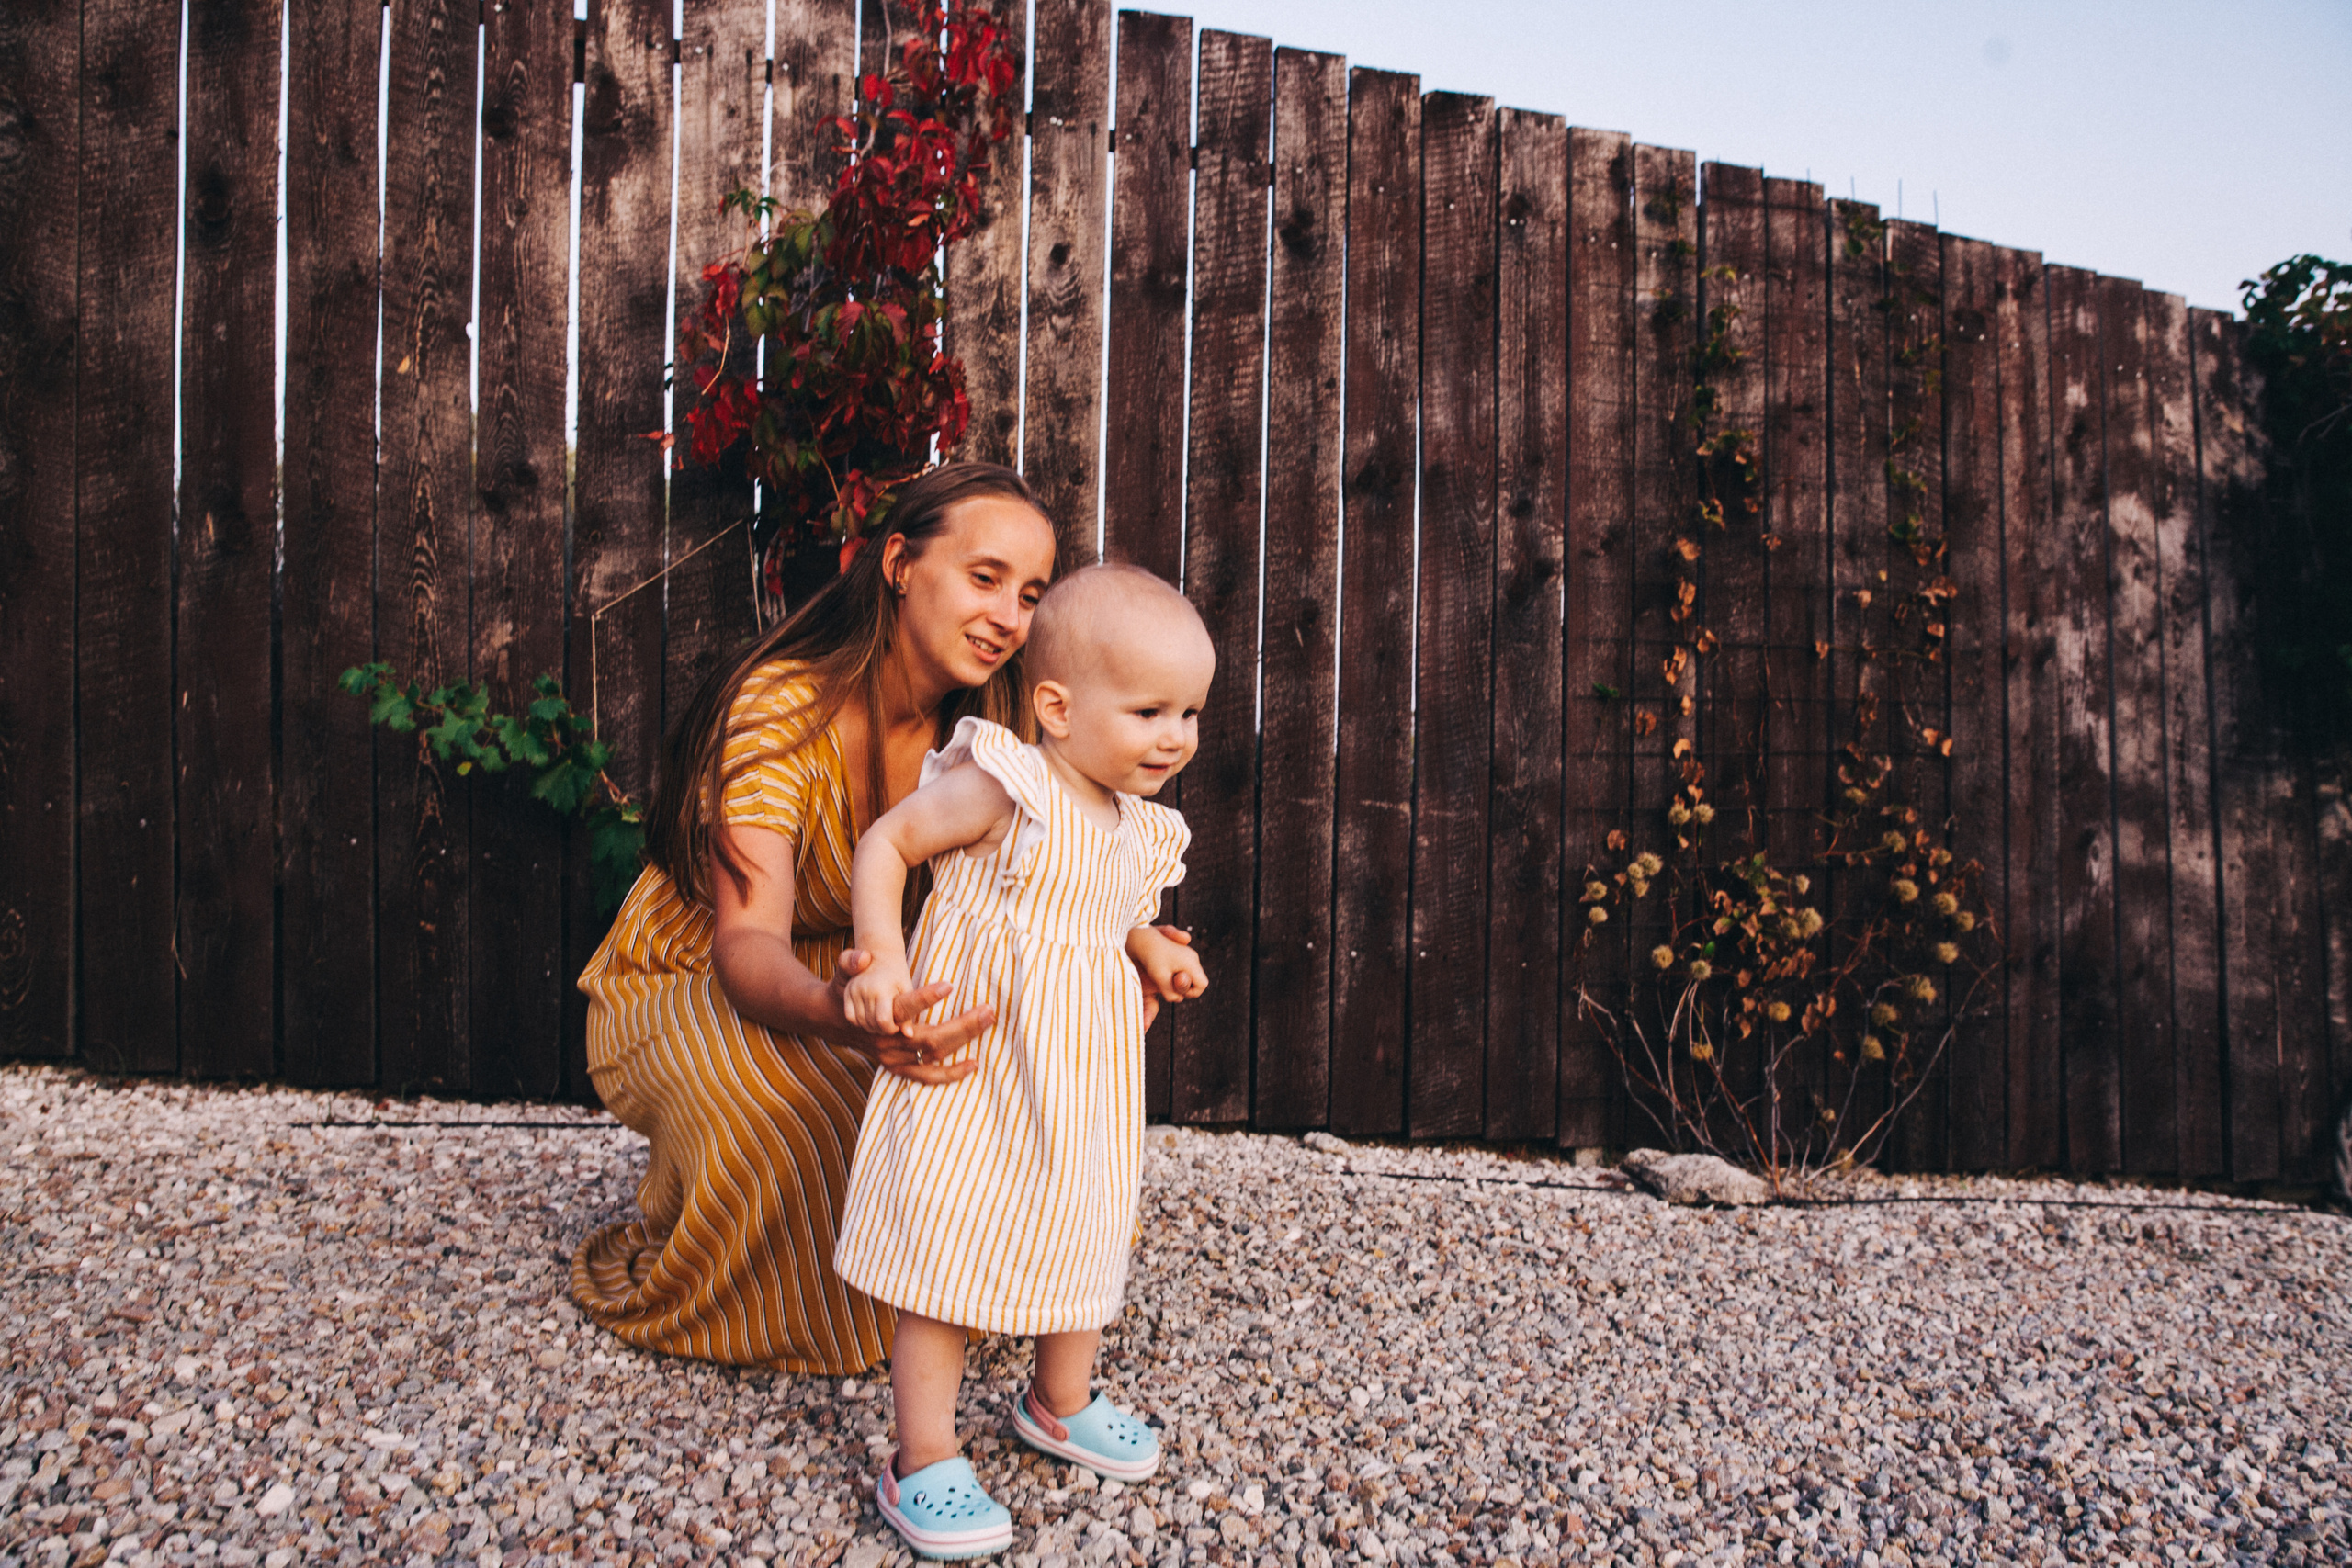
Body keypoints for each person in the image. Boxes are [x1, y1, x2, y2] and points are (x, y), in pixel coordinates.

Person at [570, 462, 1060, 1374]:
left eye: (1029, 596)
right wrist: (845, 1019)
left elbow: (1046, 880)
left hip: (873, 969)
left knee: (1006, 1100)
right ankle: (781, 1296)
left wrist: (1130, 945)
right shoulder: (783, 705)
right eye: (984, 578)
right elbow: (747, 942)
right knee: (811, 1122)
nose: (1008, 618)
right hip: (696, 969)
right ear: (901, 565)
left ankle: (968, 1293)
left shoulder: (995, 723)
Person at [830, 562, 1214, 1560]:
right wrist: (882, 959)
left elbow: (1112, 909)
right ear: (1056, 705)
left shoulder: (1140, 826)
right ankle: (921, 1456)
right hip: (977, 1069)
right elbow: (886, 846)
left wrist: (1153, 949)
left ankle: (1058, 1400)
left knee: (1083, 1229)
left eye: (1189, 713)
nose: (1174, 736)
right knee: (948, 1250)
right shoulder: (1009, 786)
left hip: (1078, 1079)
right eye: (1148, 711)